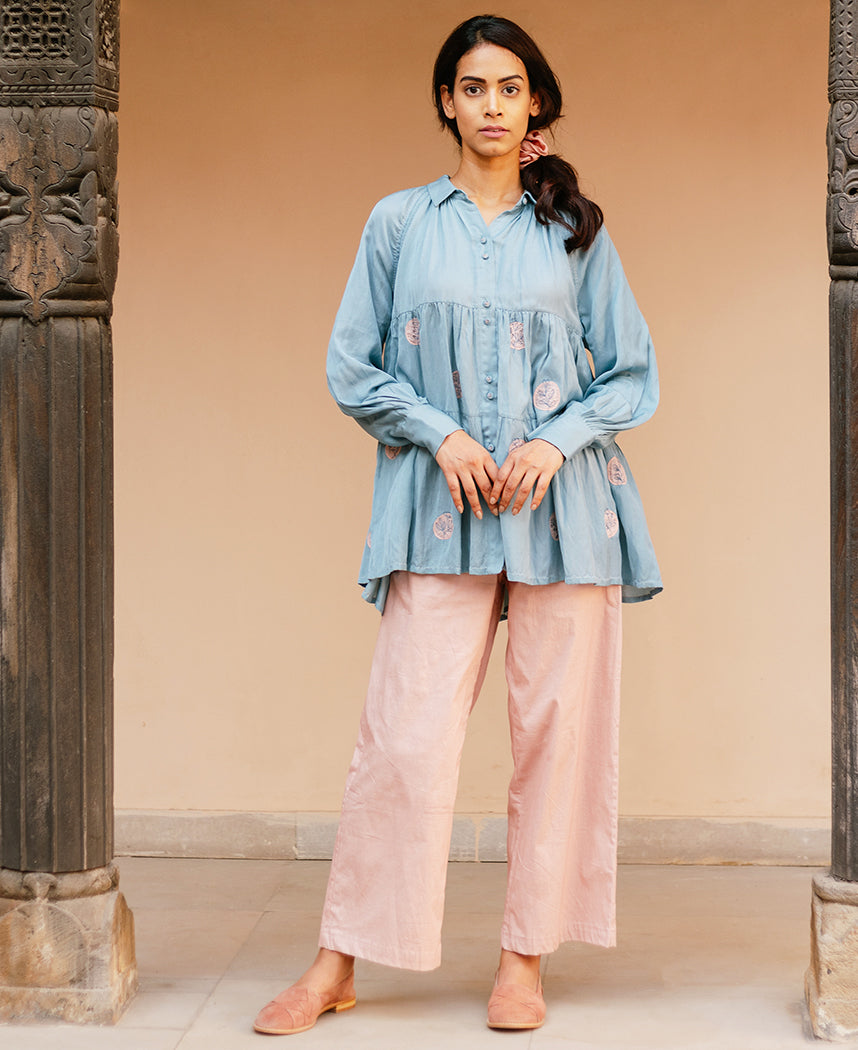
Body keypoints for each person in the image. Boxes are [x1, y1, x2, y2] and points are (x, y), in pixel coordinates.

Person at [254, 13, 661, 1036]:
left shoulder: (575, 231)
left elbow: (631, 372)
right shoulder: (398, 224)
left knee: (557, 740)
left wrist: (554, 441)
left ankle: (524, 959)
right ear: (447, 100)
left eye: (509, 88)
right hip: (439, 511)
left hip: (565, 515)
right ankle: (338, 960)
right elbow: (354, 366)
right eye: (473, 88)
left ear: (535, 103)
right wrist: (439, 435)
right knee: (403, 738)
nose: (491, 105)